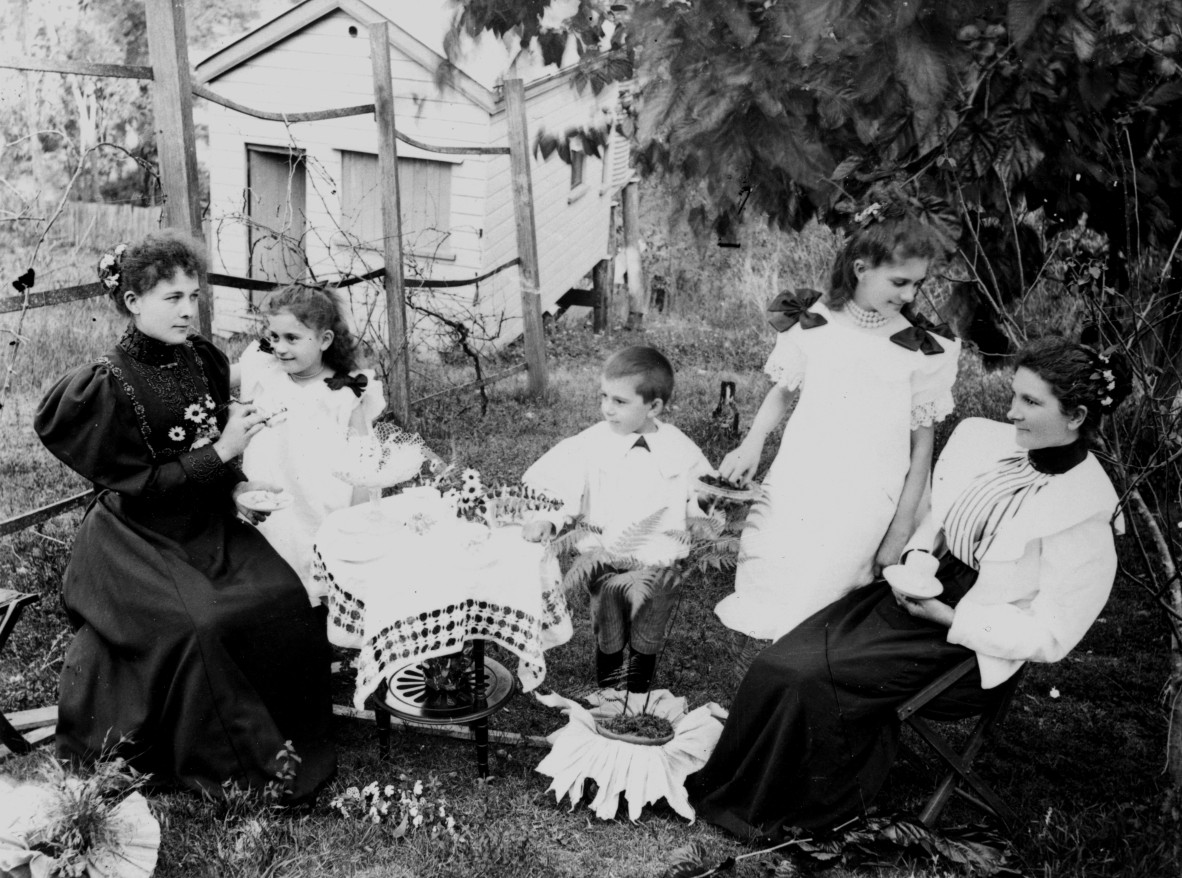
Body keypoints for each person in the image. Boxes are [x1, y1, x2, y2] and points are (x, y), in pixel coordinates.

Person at [687, 336, 1131, 839]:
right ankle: (735, 786)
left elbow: (1052, 633)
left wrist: (949, 617)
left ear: (1075, 416)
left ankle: (787, 809)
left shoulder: (1085, 513)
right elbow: (938, 520)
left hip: (967, 641)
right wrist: (918, 561)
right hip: (924, 589)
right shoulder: (987, 442)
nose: (1011, 413)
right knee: (782, 658)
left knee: (811, 678)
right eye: (1014, 395)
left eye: (1031, 402)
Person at [35, 232, 336, 802]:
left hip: (205, 523)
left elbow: (207, 443)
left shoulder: (203, 358)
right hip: (134, 538)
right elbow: (140, 487)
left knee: (282, 594)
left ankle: (289, 740)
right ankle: (239, 767)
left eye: (193, 296)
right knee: (200, 624)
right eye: (172, 298)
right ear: (132, 303)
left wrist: (238, 485)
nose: (187, 309)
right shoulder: (108, 383)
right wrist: (221, 454)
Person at [713, 203, 962, 641]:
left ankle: (809, 661)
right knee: (780, 560)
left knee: (830, 583)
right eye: (899, 282)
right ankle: (774, 659)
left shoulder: (921, 352)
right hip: (804, 471)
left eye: (917, 284)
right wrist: (752, 443)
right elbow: (783, 390)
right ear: (861, 269)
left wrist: (901, 528)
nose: (908, 295)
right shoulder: (812, 323)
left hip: (868, 491)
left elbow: (922, 446)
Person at [520, 346, 713, 693]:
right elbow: (559, 485)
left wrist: (703, 513)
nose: (607, 408)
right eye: (604, 396)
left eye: (620, 402)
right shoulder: (592, 442)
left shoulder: (680, 448)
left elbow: (701, 494)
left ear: (653, 407)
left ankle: (636, 699)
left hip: (659, 563)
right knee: (608, 632)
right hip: (605, 560)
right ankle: (608, 695)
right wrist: (549, 519)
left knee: (647, 635)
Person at [237, 284, 385, 606]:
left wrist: (355, 522)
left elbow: (363, 463)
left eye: (292, 339)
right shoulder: (266, 371)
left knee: (311, 564)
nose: (279, 348)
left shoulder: (342, 394)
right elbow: (211, 379)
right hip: (269, 491)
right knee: (268, 557)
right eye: (274, 337)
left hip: (318, 503)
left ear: (324, 340)